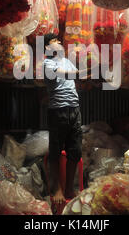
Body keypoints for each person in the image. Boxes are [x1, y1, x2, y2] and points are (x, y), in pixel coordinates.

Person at [43, 33, 89, 205]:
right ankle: (57, 189)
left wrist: (91, 70)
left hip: (74, 110)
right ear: (47, 48)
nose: (60, 42)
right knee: (55, 151)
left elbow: (78, 75)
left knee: (75, 150)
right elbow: (70, 75)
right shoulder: (47, 63)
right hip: (58, 111)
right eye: (55, 41)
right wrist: (85, 71)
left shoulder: (66, 61)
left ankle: (69, 188)